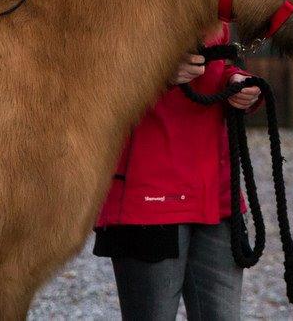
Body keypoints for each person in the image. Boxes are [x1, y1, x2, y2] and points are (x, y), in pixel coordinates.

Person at [93, 24, 262, 320]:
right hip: (150, 197)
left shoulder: (213, 4)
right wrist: (156, 71)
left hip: (217, 197)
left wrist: (238, 81)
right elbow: (88, 74)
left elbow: (223, 61)